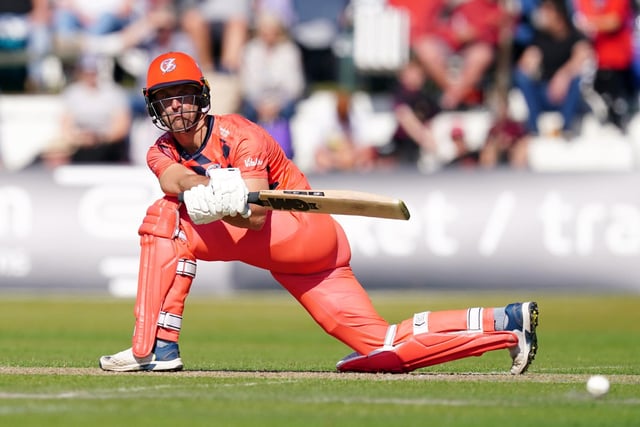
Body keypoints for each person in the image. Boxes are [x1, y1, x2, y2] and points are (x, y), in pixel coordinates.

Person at [98, 51, 539, 375]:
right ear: (154, 105)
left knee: (165, 220)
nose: (176, 105)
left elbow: (253, 217)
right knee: (380, 348)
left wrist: (225, 199)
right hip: (307, 259)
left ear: (202, 96)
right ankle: (503, 324)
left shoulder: (242, 135)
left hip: (298, 229)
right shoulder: (160, 149)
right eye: (166, 98)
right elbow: (172, 180)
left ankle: (154, 348)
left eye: (184, 94)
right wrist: (209, 187)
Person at [34, 54, 132, 167]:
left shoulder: (114, 93)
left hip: (107, 145)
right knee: (50, 156)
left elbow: (121, 128)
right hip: (78, 144)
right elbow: (65, 126)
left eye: (92, 71)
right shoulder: (72, 93)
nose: (90, 75)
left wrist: (98, 138)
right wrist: (80, 139)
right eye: (86, 71)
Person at [512, 0, 593, 136]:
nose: (543, 15)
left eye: (547, 11)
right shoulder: (541, 37)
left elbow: (583, 56)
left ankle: (566, 128)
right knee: (521, 77)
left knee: (576, 79)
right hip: (546, 92)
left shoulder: (575, 36)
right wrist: (528, 65)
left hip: (566, 95)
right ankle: (533, 128)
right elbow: (528, 60)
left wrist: (563, 76)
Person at [411, 0, 509, 110]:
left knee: (482, 55)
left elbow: (497, 31)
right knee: (425, 49)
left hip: (475, 45)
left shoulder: (496, 7)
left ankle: (452, 99)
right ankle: (459, 95)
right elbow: (433, 24)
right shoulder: (445, 6)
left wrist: (474, 32)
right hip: (447, 42)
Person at [572, 0, 636, 131]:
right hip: (595, 62)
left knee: (619, 108)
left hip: (618, 61)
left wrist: (588, 23)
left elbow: (614, 21)